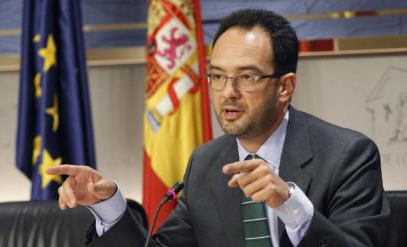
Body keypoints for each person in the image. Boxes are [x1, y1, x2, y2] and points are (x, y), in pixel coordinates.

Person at [47, 8, 390, 247]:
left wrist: (290, 204)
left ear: (284, 87)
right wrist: (109, 205)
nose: (229, 92)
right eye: (217, 76)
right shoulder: (206, 163)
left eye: (247, 77)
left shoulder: (348, 156)